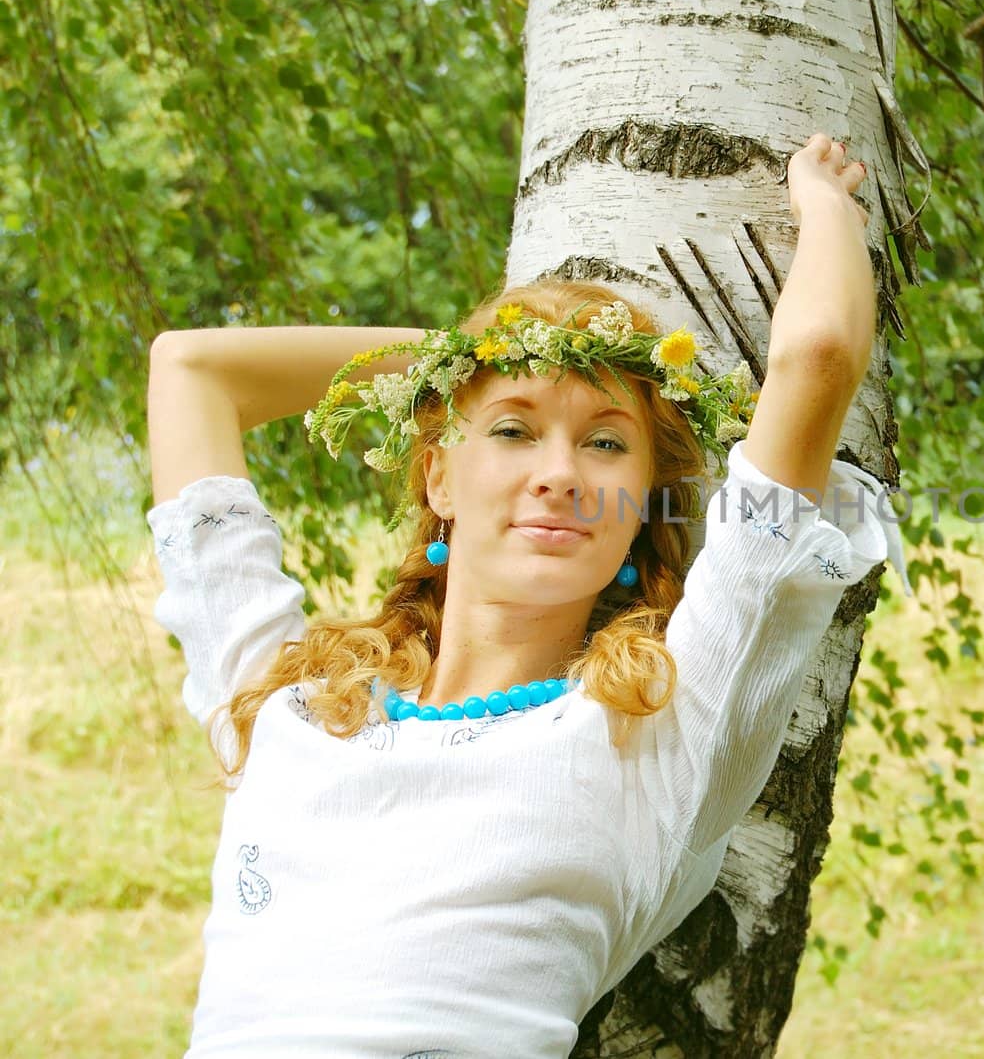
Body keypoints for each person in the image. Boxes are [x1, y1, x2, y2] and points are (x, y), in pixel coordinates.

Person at [143, 132, 912, 1058]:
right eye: (512, 430)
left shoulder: (658, 738)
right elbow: (192, 371)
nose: (560, 473)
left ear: (640, 507)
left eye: (604, 443)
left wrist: (828, 205)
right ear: (437, 476)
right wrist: (471, 358)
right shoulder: (283, 700)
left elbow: (819, 354)